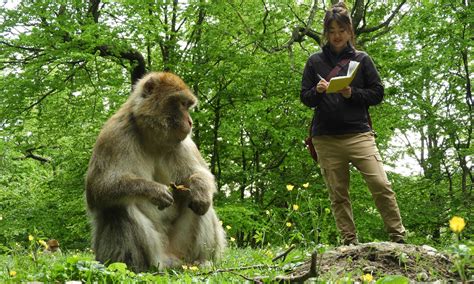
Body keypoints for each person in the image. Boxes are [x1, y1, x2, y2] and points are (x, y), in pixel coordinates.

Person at [300, 2, 405, 245]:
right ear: (327, 33)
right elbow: (305, 98)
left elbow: (378, 93)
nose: (337, 36)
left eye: (341, 30)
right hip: (325, 137)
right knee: (338, 194)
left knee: (381, 184)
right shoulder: (314, 61)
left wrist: (351, 93)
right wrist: (317, 91)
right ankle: (349, 242)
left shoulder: (362, 59)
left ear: (349, 32)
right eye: (332, 31)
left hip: (359, 134)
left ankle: (398, 236)